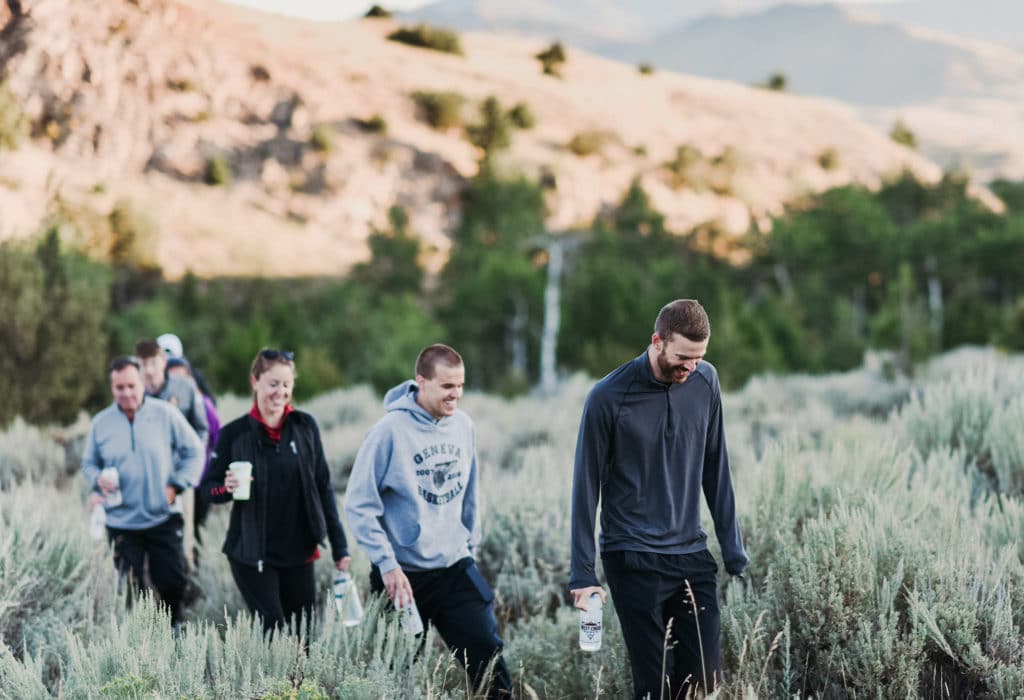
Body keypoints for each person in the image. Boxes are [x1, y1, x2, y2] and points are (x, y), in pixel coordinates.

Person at [569, 299, 749, 699]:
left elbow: (716, 466)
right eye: (683, 357)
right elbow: (585, 487)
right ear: (657, 342)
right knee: (655, 688)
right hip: (631, 556)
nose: (690, 367)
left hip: (691, 554)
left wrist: (733, 550)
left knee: (703, 683)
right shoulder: (608, 397)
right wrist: (582, 574)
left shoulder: (706, 382)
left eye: (699, 359)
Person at [344, 344, 512, 699]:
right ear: (422, 382)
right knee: (397, 680)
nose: (457, 395)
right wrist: (387, 565)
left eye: (461, 386)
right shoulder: (388, 432)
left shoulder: (463, 426)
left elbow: (471, 494)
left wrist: (470, 548)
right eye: (447, 386)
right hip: (402, 579)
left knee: (491, 666)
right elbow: (359, 505)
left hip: (454, 568)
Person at [200, 349, 351, 635]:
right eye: (273, 383)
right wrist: (227, 488)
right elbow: (209, 490)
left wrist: (340, 546)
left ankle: (299, 682)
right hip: (252, 552)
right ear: (254, 381)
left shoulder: (306, 427)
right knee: (274, 632)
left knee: (302, 635)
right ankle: (273, 680)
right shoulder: (235, 433)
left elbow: (323, 487)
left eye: (286, 384)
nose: (280, 392)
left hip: (301, 552)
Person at [82, 355, 205, 627]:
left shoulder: (166, 414)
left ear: (142, 384)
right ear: (111, 388)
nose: (126, 393)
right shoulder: (101, 423)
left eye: (131, 386)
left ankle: (174, 630)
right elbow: (89, 464)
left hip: (162, 517)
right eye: (119, 388)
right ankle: (139, 643)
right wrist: (96, 480)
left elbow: (195, 451)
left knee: (172, 583)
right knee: (128, 593)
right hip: (121, 523)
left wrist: (177, 485)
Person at [136, 339, 209, 571]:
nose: (148, 370)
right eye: (143, 364)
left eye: (153, 363)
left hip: (179, 479)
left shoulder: (185, 388)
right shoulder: (133, 392)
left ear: (163, 362)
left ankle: (187, 591)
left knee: (184, 537)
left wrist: (191, 464)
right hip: (144, 482)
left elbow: (202, 428)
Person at [167, 355, 221, 567]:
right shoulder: (166, 405)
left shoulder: (203, 404)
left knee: (195, 527)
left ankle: (193, 570)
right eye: (173, 378)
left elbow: (217, 436)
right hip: (177, 477)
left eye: (183, 377)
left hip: (202, 478)